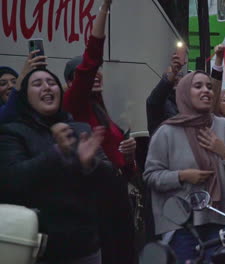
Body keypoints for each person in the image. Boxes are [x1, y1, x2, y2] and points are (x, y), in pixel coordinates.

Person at [0, 68, 114, 264]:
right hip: (38, 249)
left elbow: (110, 180)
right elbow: (12, 181)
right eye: (37, 84)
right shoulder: (12, 133)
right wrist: (57, 153)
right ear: (25, 97)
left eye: (51, 83)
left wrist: (89, 164)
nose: (46, 87)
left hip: (84, 246)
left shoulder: (81, 129)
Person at [144, 71, 225, 263]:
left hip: (220, 223)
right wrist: (182, 176)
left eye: (209, 87)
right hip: (181, 227)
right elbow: (151, 176)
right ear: (184, 93)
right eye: (198, 86)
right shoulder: (167, 132)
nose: (206, 91)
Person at [61, 1, 135, 263]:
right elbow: (91, 58)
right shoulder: (75, 104)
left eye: (99, 72)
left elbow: (119, 157)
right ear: (73, 83)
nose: (97, 74)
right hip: (96, 199)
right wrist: (104, 11)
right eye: (88, 73)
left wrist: (128, 155)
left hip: (117, 197)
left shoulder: (100, 110)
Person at [146, 44, 225, 136]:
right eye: (170, 76)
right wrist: (173, 73)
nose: (176, 77)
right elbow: (154, 100)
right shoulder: (158, 104)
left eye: (180, 75)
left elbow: (211, 97)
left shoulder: (192, 104)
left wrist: (218, 60)